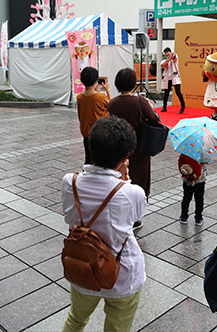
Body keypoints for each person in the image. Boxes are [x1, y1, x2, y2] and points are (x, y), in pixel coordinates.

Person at [61, 116, 147, 332]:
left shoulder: (69, 182)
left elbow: (69, 217)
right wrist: (124, 181)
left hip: (83, 266)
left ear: (91, 146)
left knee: (75, 320)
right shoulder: (132, 192)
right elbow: (136, 216)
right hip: (123, 274)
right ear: (126, 156)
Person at [108, 68, 159, 230]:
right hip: (140, 148)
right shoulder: (140, 101)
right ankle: (136, 217)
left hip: (120, 147)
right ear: (133, 83)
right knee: (140, 179)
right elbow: (154, 121)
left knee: (121, 177)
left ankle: (122, 211)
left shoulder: (113, 103)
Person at [77, 66, 110, 165]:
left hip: (86, 133)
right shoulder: (101, 97)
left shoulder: (79, 97)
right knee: (101, 159)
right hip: (101, 133)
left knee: (89, 158)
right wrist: (108, 90)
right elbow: (111, 106)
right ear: (96, 81)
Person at [178, 154, 206, 226]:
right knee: (199, 199)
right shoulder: (203, 151)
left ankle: (183, 216)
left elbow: (181, 163)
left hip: (187, 180)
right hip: (200, 180)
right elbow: (206, 161)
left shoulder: (185, 151)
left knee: (186, 198)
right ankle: (198, 217)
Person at [160, 47, 185, 114]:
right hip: (168, 79)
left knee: (178, 92)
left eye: (167, 52)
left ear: (170, 52)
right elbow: (163, 64)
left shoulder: (175, 58)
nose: (166, 54)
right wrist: (168, 59)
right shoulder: (164, 60)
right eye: (165, 53)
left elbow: (174, 56)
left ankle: (183, 106)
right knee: (166, 94)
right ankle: (164, 107)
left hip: (175, 77)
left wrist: (170, 57)